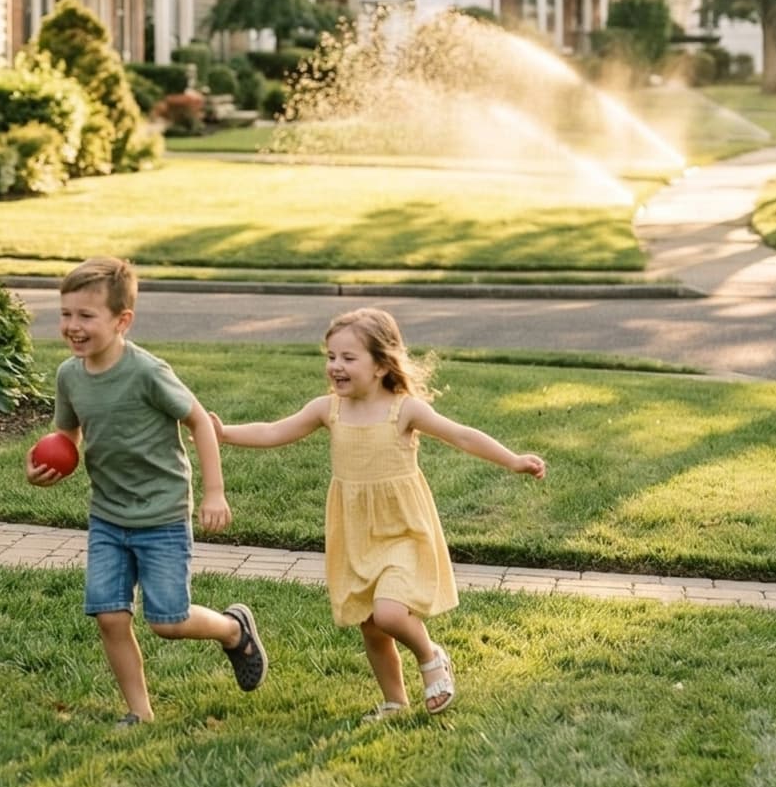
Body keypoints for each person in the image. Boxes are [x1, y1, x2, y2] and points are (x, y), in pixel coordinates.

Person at [215, 308, 545, 718]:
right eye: (331, 356)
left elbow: (461, 435)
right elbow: (274, 430)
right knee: (371, 625)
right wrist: (224, 433)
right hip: (355, 532)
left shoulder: (404, 410)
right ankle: (394, 701)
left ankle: (431, 656)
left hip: (401, 529)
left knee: (390, 613)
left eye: (348, 358)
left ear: (381, 364)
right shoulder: (329, 409)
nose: (336, 366)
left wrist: (512, 460)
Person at [27, 256, 267, 725]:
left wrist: (215, 492)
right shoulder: (69, 375)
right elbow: (66, 436)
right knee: (109, 616)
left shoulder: (147, 372)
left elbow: (199, 421)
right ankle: (140, 712)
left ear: (122, 321)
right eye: (66, 314)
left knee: (168, 622)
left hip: (162, 515)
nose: (73, 326)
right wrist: (43, 461)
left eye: (86, 315)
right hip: (108, 516)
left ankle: (232, 630)